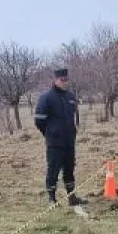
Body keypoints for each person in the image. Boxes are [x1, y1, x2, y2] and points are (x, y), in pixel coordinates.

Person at [34, 68, 87, 208]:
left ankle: (72, 197)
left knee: (69, 168)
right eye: (61, 80)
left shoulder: (70, 96)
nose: (64, 82)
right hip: (54, 142)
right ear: (55, 80)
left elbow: (74, 117)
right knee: (53, 169)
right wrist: (50, 133)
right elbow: (39, 120)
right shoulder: (46, 97)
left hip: (69, 140)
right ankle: (52, 199)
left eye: (66, 80)